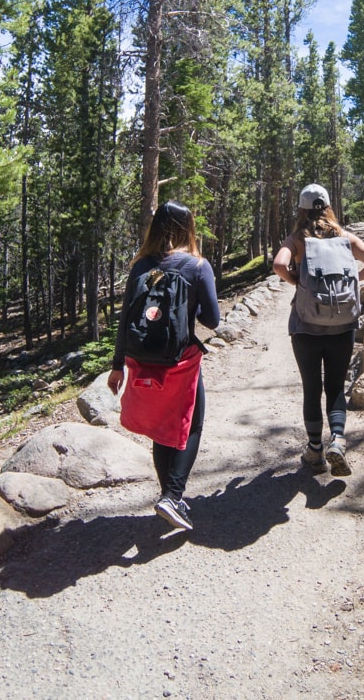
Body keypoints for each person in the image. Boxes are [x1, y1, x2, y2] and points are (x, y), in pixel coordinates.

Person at [107, 201, 220, 533]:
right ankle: (172, 496)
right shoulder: (197, 266)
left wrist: (117, 367)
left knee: (161, 429)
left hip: (142, 361)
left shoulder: (141, 265)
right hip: (179, 362)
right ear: (189, 229)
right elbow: (212, 320)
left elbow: (126, 316)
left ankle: (169, 496)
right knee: (191, 425)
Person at [273, 184, 364, 477]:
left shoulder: (297, 239)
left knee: (312, 388)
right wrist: (354, 282)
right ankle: (337, 439)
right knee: (335, 387)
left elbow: (278, 265)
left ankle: (314, 450)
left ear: (302, 209)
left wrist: (298, 283)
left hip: (306, 327)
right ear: (328, 207)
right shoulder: (345, 238)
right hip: (342, 325)